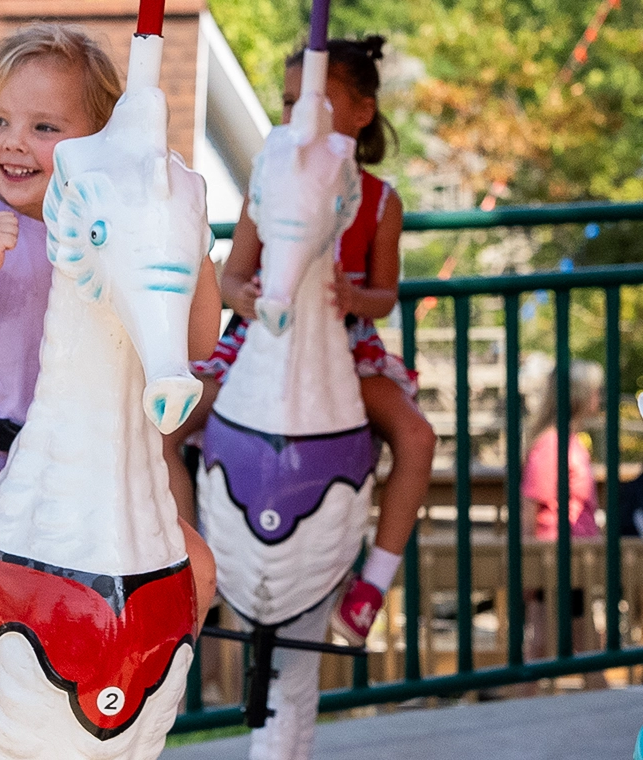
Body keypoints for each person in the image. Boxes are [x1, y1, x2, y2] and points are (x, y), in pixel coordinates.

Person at [0, 23, 221, 760]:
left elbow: (201, 342)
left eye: (44, 126)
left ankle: (134, 697)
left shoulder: (102, 233)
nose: (13, 143)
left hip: (71, 460)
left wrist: (190, 240)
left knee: (199, 570)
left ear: (99, 139)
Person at [162, 35, 437, 647]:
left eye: (316, 101)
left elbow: (386, 294)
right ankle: (187, 562)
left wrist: (351, 298)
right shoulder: (272, 184)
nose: (297, 117)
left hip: (345, 349)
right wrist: (250, 300)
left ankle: (372, 584)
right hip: (261, 342)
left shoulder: (379, 200)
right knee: (164, 428)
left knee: (417, 436)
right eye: (288, 103)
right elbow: (234, 276)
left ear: (361, 113)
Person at [521, 360, 607, 686]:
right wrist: (529, 568)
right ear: (580, 395)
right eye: (596, 391)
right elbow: (530, 508)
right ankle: (604, 706)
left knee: (565, 641)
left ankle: (525, 698)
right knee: (575, 643)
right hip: (556, 558)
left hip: (573, 559)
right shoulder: (552, 445)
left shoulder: (568, 441)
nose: (599, 398)